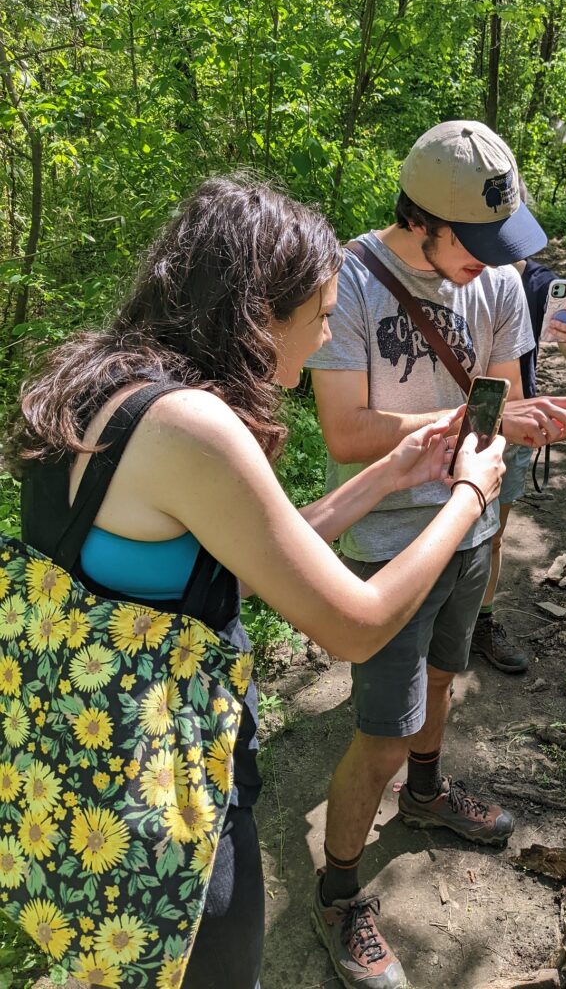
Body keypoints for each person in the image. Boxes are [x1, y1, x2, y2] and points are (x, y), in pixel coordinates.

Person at [5, 175, 508, 989]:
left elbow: (251, 550)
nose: (316, 351)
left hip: (75, 774)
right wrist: (468, 493)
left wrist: (385, 476)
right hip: (167, 801)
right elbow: (355, 623)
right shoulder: (194, 427)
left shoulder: (109, 388)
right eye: (316, 319)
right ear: (256, 312)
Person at [306, 120, 566, 989]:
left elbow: (501, 407)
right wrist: (467, 431)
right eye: (474, 241)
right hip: (390, 538)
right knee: (377, 738)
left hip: (470, 522)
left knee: (443, 677)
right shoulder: (346, 284)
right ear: (422, 218)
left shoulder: (496, 283)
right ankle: (338, 890)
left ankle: (426, 794)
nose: (492, 261)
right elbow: (348, 433)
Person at [471, 245, 566, 673]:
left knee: (492, 535)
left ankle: (480, 624)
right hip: (453, 422)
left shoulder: (539, 284)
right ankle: (432, 635)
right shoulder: (453, 269)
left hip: (515, 425)